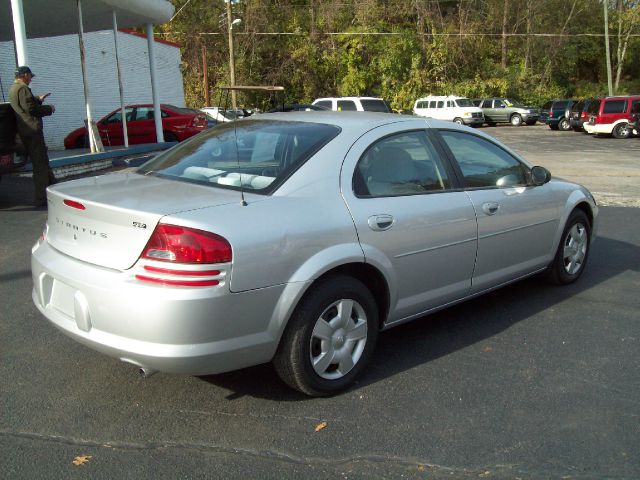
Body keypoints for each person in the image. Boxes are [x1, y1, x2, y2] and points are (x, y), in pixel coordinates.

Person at [9, 66, 56, 207]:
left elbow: (26, 103)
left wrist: (38, 99)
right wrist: (49, 109)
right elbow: (31, 109)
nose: (31, 79)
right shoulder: (22, 88)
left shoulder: (14, 89)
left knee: (43, 159)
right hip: (32, 130)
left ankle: (54, 187)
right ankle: (42, 198)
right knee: (40, 164)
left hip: (25, 130)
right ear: (24, 75)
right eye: (30, 76)